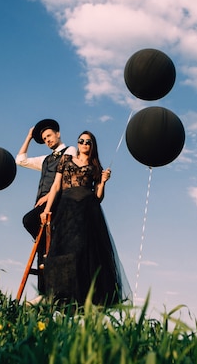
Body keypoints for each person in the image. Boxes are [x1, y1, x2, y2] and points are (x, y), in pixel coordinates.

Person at [40, 130, 130, 306]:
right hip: (66, 207)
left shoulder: (96, 167)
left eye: (88, 142)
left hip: (87, 210)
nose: (83, 144)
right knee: (62, 247)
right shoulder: (66, 160)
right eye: (81, 141)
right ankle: (54, 295)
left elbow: (98, 198)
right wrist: (47, 209)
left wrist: (103, 182)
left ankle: (83, 300)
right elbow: (56, 185)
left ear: (92, 145)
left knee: (84, 251)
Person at [16, 119, 76, 294]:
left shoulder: (70, 150)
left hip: (59, 201)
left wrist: (50, 195)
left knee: (28, 220)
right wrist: (29, 137)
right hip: (44, 207)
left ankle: (55, 250)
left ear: (58, 133)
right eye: (44, 139)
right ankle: (44, 293)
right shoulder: (45, 159)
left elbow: (69, 176)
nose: (48, 140)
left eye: (49, 135)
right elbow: (20, 160)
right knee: (42, 250)